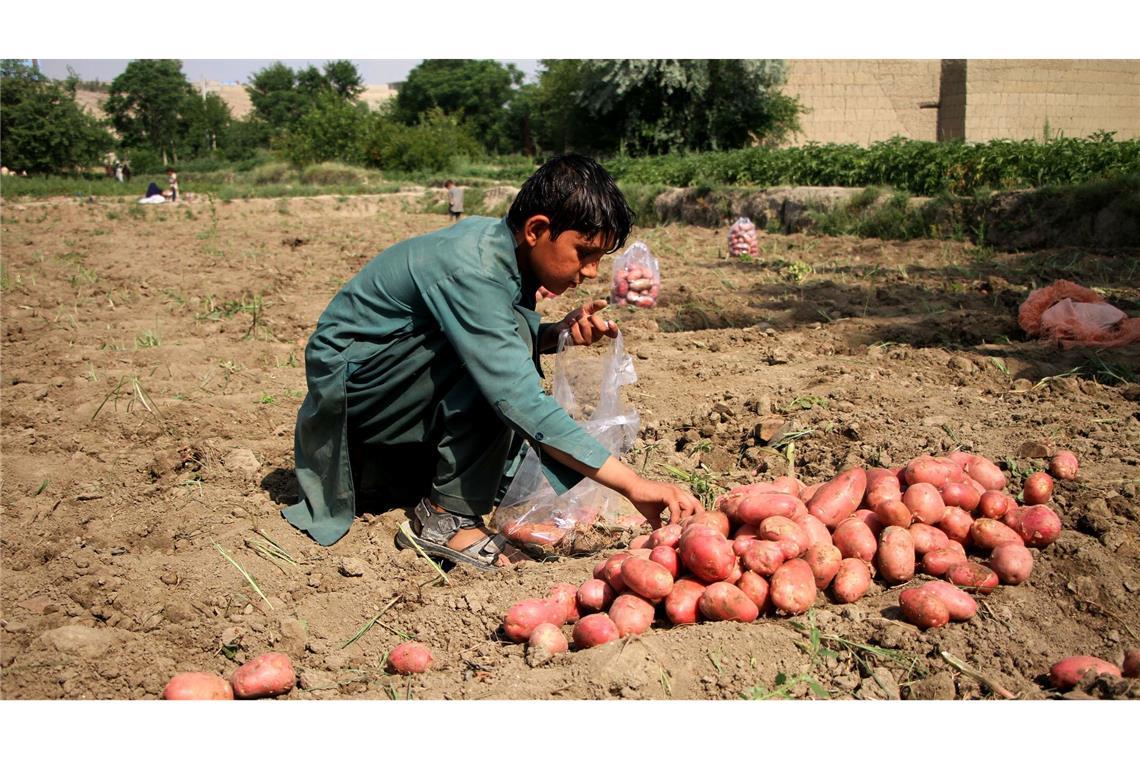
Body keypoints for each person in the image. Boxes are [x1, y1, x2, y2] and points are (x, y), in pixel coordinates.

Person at [283, 155, 701, 568]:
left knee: (511, 345)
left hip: (388, 390)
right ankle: (446, 518)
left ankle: (466, 485)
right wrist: (634, 484)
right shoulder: (476, 269)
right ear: (537, 229)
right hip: (357, 402)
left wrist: (555, 335)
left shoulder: (502, 249)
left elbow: (489, 333)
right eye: (584, 253)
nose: (591, 272)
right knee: (503, 372)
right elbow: (514, 392)